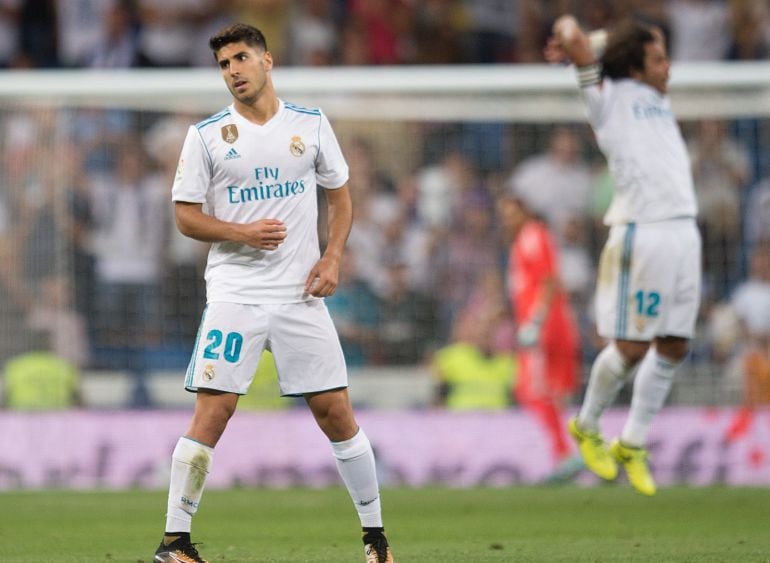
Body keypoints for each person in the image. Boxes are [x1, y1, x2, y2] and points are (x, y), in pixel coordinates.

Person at [153, 23, 393, 563]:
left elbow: (340, 198)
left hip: (300, 295)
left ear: (267, 60)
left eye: (240, 58)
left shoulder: (309, 125)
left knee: (335, 411)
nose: (233, 71)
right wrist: (241, 232)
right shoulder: (207, 135)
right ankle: (174, 544)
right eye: (223, 64)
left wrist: (332, 256)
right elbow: (185, 218)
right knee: (214, 412)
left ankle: (376, 539)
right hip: (236, 293)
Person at [545, 15, 702, 496]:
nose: (668, 66)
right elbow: (570, 30)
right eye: (657, 58)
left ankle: (631, 442)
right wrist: (575, 43)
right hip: (643, 232)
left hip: (683, 230)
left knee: (674, 344)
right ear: (634, 66)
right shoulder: (605, 98)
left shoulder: (656, 96)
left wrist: (600, 43)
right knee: (632, 348)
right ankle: (587, 424)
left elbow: (594, 45)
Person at [498, 195, 580, 467]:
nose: (507, 221)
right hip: (545, 323)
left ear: (524, 213)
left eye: (511, 214)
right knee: (555, 393)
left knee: (530, 390)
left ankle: (563, 452)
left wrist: (535, 321)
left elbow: (548, 280)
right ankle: (571, 451)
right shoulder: (524, 240)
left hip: (543, 327)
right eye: (504, 215)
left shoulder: (532, 235)